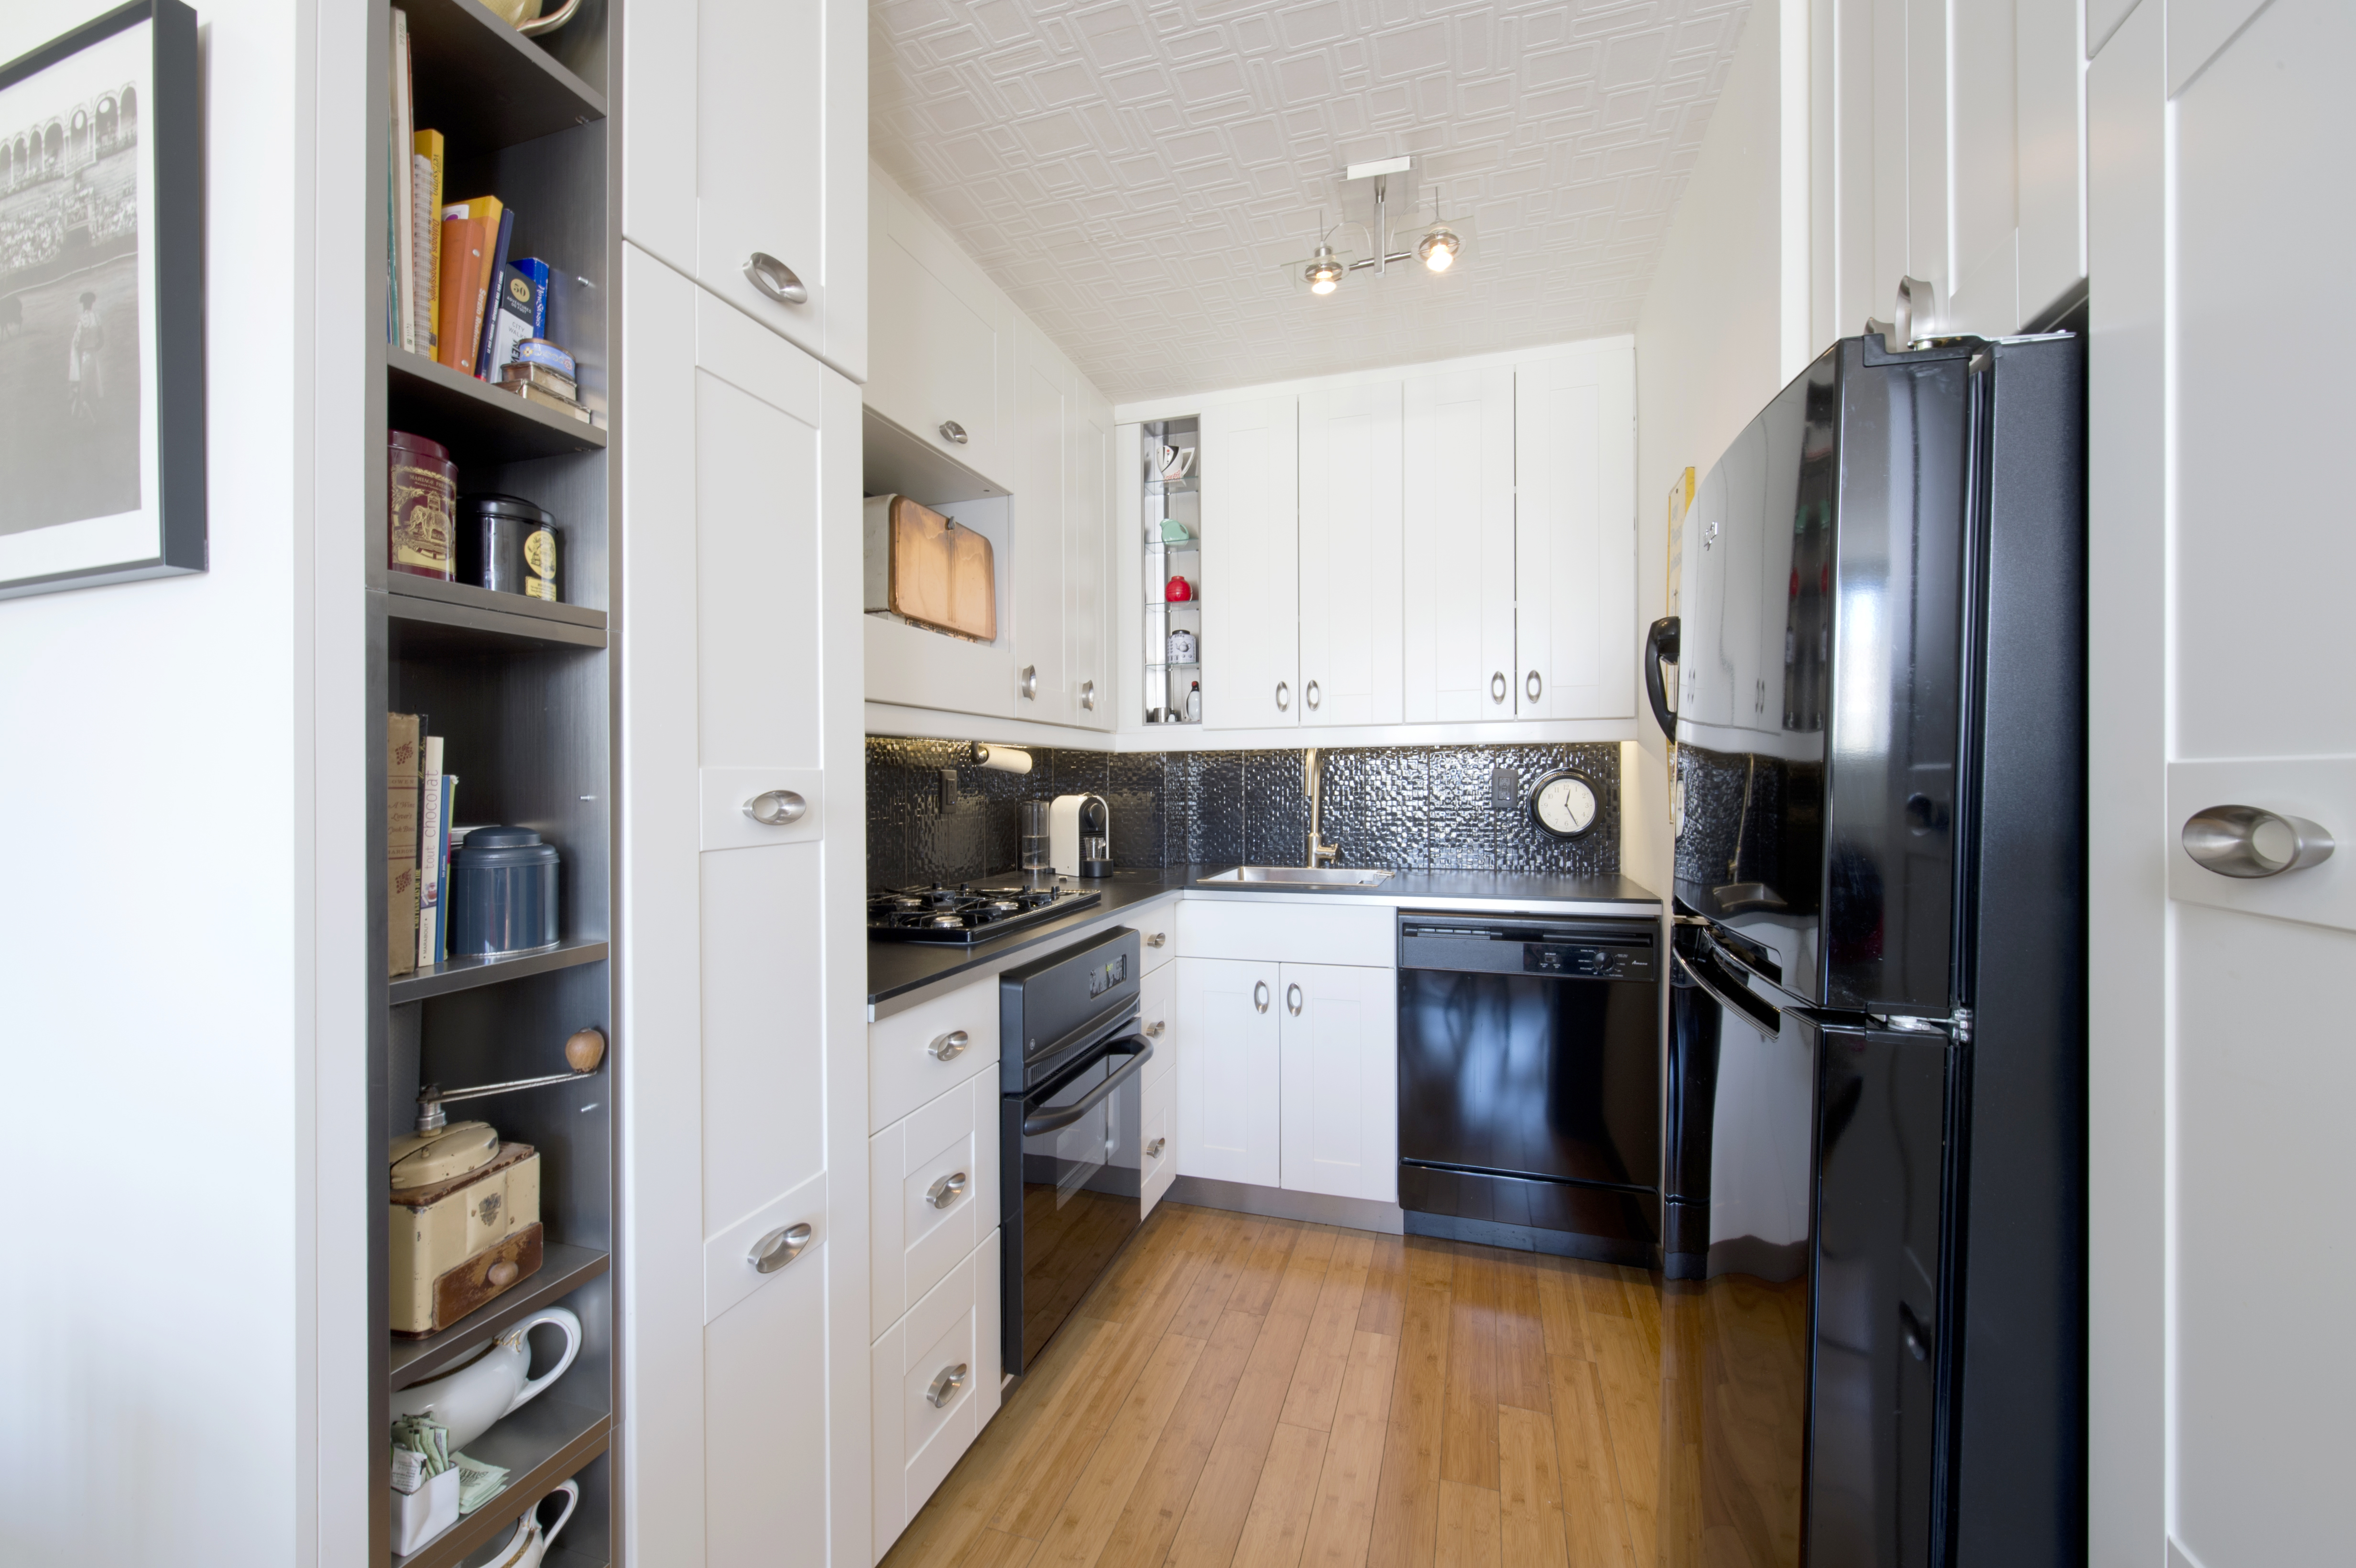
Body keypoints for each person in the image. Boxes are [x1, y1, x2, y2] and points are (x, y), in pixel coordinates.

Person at [67, 288, 102, 421]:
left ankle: (86, 416)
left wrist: (83, 350)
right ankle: (94, 410)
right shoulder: (97, 318)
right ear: (92, 304)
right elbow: (102, 340)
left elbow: (76, 343)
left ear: (84, 304)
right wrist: (94, 348)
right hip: (93, 355)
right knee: (93, 383)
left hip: (84, 357)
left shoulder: (82, 320)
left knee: (83, 387)